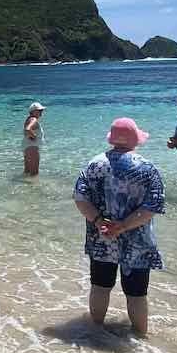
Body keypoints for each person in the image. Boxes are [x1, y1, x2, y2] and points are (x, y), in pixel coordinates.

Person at [73, 118, 165, 336]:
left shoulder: (94, 164)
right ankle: (141, 338)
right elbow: (153, 206)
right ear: (134, 140)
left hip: (101, 239)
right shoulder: (146, 168)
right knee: (136, 295)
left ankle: (96, 331)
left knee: (100, 287)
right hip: (137, 244)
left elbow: (80, 198)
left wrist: (99, 221)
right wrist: (123, 226)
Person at [22, 102, 46, 176]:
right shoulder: (33, 119)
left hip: (26, 148)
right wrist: (34, 136)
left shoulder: (28, 119)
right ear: (33, 111)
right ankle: (34, 187)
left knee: (27, 173)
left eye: (41, 110)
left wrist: (31, 136)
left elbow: (26, 131)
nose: (41, 112)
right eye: (39, 110)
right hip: (33, 148)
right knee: (34, 174)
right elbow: (27, 129)